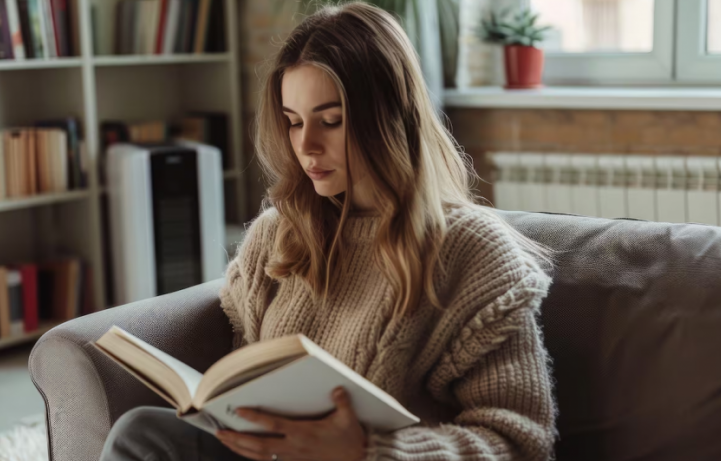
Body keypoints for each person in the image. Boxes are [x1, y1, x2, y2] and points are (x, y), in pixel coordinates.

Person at [100, 2, 557, 460]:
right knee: (141, 431)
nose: (306, 145)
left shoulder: (471, 252)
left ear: (389, 115)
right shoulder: (279, 234)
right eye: (293, 121)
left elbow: (519, 441)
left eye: (330, 120)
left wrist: (367, 452)